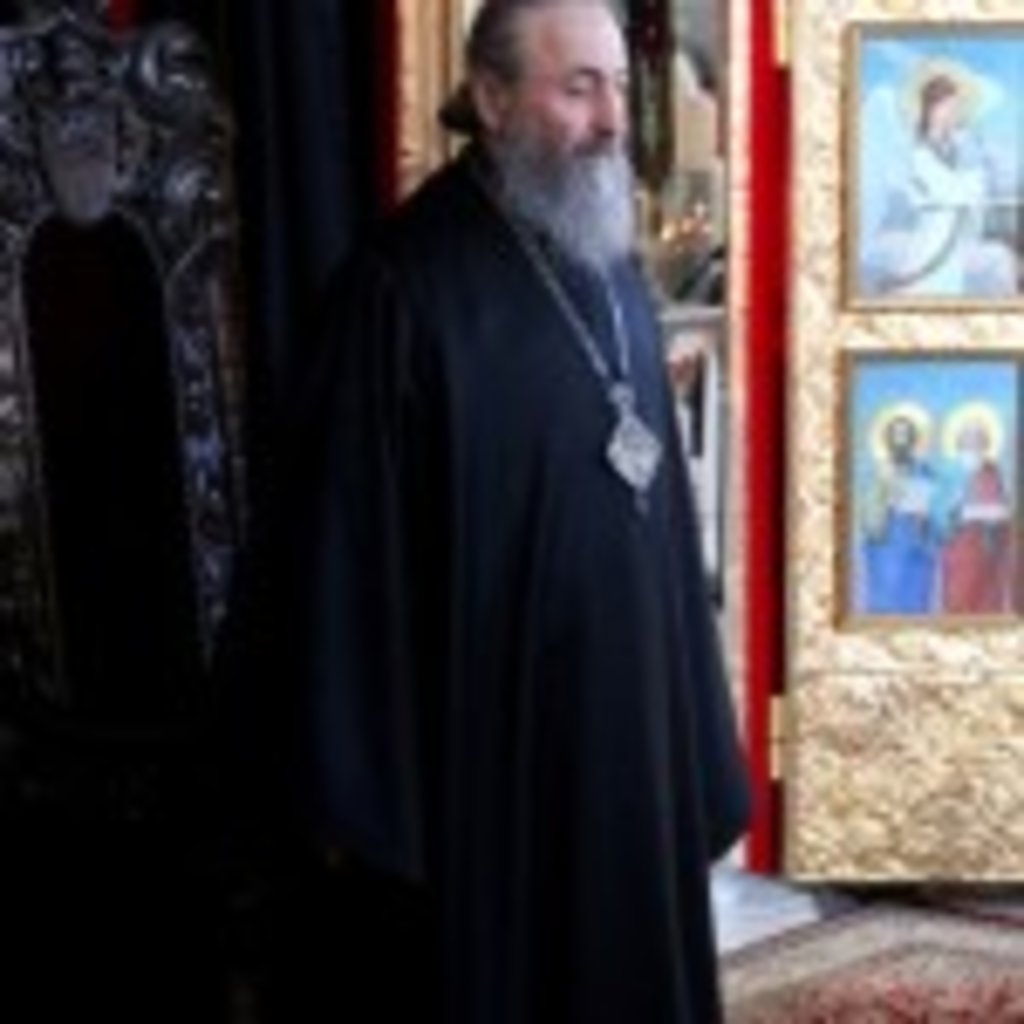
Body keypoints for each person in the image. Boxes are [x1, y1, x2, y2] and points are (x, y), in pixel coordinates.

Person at [226, 2, 750, 1021]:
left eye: (618, 85)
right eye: (578, 88)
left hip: (628, 738)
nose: (613, 120)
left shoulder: (610, 267)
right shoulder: (401, 292)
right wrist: (377, 811)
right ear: (493, 98)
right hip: (498, 766)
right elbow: (344, 573)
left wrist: (687, 732)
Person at [862, 64, 1016, 298]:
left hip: (952, 234)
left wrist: (972, 171)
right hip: (932, 233)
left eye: (954, 107)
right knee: (928, 286)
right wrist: (966, 184)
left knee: (952, 284)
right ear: (930, 108)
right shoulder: (917, 150)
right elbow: (942, 188)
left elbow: (975, 186)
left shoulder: (955, 146)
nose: (951, 114)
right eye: (946, 107)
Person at [860, 411, 941, 614]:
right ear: (888, 439)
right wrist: (886, 501)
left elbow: (936, 506)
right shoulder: (878, 471)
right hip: (886, 544)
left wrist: (925, 517)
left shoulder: (924, 470)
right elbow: (868, 513)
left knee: (915, 600)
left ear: (913, 439)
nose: (901, 439)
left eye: (905, 434)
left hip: (916, 542)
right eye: (896, 434)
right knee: (887, 599)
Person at [940, 414, 1014, 614]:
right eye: (969, 435)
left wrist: (1001, 515)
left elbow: (1002, 503)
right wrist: (958, 510)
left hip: (989, 543)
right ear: (960, 439)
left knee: (988, 596)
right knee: (960, 593)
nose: (974, 440)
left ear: (986, 441)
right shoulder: (949, 470)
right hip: (960, 543)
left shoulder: (993, 470)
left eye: (979, 436)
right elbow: (938, 507)